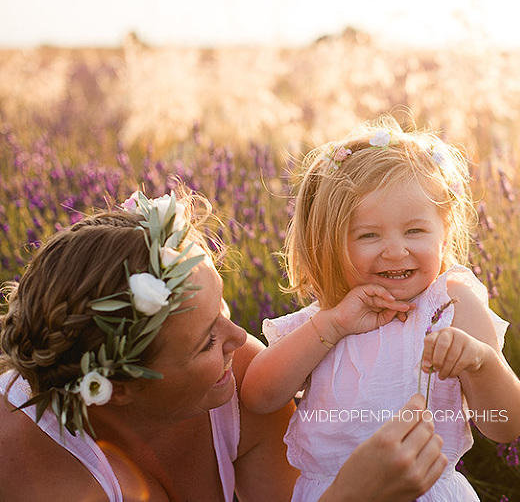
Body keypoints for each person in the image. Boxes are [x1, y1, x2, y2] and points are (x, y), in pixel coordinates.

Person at [0, 187, 448, 502]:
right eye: (205, 341)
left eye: (224, 311)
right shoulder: (32, 469)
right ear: (119, 387)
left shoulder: (240, 383)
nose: (240, 338)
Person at [241, 116, 520, 501]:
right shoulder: (324, 319)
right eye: (369, 235)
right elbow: (259, 396)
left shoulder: (450, 305)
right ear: (329, 242)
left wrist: (481, 363)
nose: (395, 250)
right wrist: (331, 327)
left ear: (444, 232)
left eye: (415, 231)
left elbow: (505, 425)